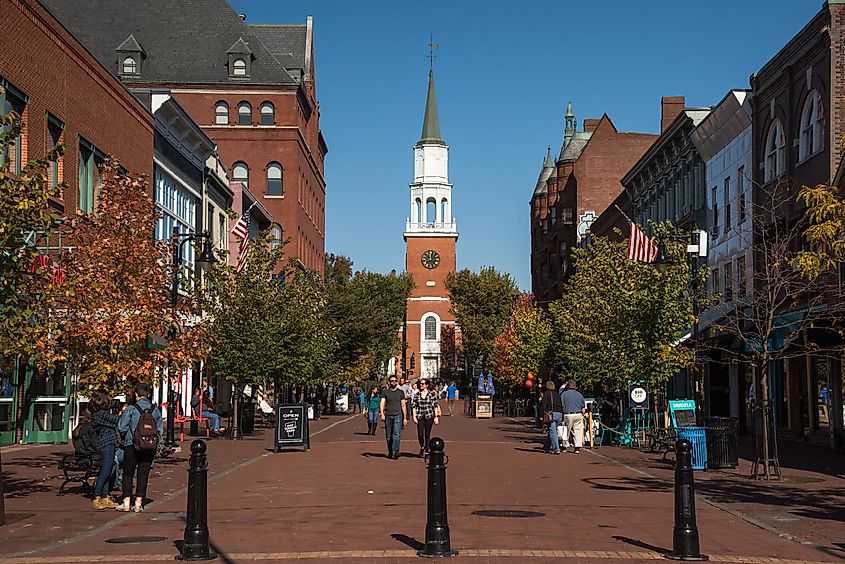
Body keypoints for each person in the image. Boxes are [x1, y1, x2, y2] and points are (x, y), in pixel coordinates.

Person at [116, 384, 163, 512]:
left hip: (131, 444)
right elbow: (159, 430)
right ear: (147, 394)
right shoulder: (155, 409)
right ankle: (138, 503)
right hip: (149, 446)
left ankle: (126, 502)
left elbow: (121, 427)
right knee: (143, 473)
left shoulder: (131, 408)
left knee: (128, 473)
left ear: (136, 395)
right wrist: (159, 445)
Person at [87, 390, 120, 509]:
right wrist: (123, 413)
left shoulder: (100, 413)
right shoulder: (100, 414)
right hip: (106, 443)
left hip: (110, 442)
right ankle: (96, 496)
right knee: (105, 470)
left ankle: (105, 496)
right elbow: (116, 420)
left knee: (109, 469)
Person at [380, 376, 407, 459]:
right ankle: (390, 451)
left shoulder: (401, 392)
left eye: (395, 381)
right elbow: (382, 403)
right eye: (392, 381)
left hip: (398, 414)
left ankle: (396, 451)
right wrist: (382, 413)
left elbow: (403, 405)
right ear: (389, 382)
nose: (394, 382)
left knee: (396, 433)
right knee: (388, 435)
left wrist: (405, 417)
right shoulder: (385, 392)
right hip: (388, 415)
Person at [412, 378, 440, 457]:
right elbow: (414, 406)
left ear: (427, 385)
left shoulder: (431, 394)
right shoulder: (417, 395)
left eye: (423, 384)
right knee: (420, 434)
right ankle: (422, 446)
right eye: (420, 384)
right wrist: (414, 416)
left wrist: (436, 416)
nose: (421, 385)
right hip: (420, 416)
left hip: (429, 416)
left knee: (427, 434)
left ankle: (427, 449)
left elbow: (435, 405)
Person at [560, 379, 586, 454]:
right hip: (578, 414)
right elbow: (583, 407)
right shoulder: (579, 394)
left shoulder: (564, 394)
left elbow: (561, 405)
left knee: (566, 431)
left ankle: (564, 446)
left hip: (568, 414)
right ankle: (577, 447)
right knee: (578, 431)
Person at [540, 380, 563, 454]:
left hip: (551, 414)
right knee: (552, 430)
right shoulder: (557, 394)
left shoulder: (546, 394)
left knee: (553, 432)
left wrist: (541, 415)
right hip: (559, 414)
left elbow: (543, 405)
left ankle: (556, 449)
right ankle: (546, 446)